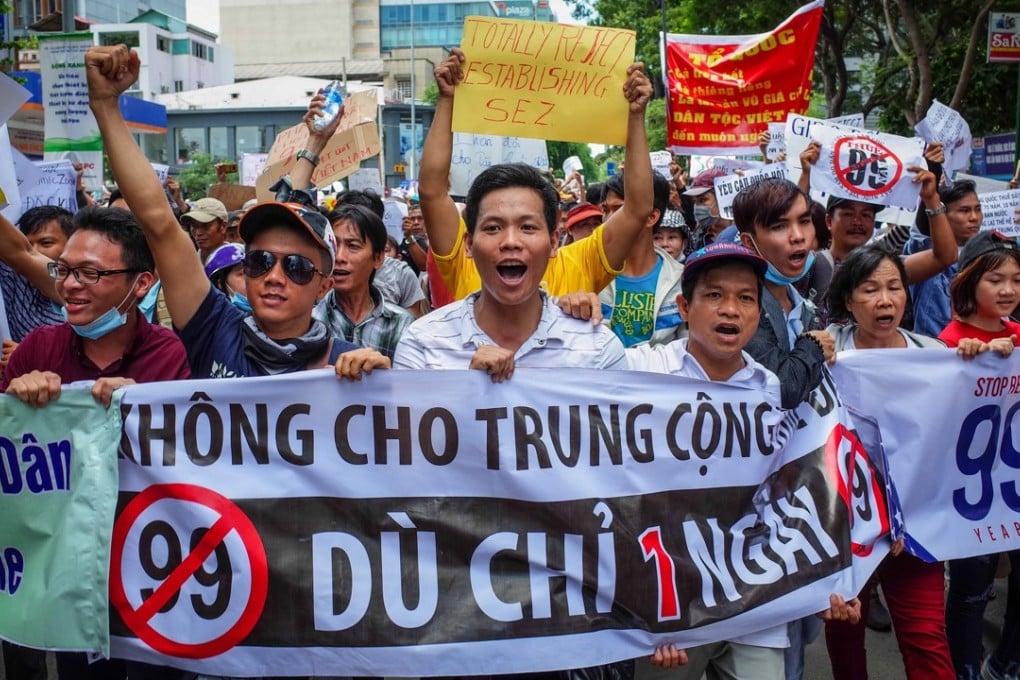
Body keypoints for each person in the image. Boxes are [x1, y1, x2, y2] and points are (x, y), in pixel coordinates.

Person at [86, 44, 387, 382]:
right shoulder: (212, 327)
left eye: (297, 268)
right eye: (259, 261)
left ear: (324, 287)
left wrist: (380, 383)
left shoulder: (349, 367)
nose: (274, 277)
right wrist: (106, 105)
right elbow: (159, 222)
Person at [630, 241, 860, 680]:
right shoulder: (640, 371)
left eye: (745, 298)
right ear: (684, 307)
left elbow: (803, 492)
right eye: (714, 295)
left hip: (754, 602)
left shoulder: (773, 392)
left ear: (758, 313)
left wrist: (830, 582)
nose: (730, 310)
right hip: (669, 608)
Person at [1, 206, 192, 680]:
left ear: (141, 284)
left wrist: (140, 408)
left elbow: (183, 459)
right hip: (66, 575)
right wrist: (19, 405)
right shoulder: (36, 350)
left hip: (150, 572)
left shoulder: (168, 355)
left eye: (90, 273)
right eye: (63, 270)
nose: (69, 285)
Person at [418, 48, 654, 301]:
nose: (511, 241)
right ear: (468, 244)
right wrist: (447, 100)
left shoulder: (581, 264)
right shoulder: (464, 265)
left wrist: (635, 117)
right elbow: (432, 191)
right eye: (493, 227)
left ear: (554, 240)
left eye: (528, 227)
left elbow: (638, 209)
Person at [821, 244, 955, 680]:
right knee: (845, 631)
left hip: (914, 528)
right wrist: (809, 352)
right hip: (845, 529)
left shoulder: (934, 356)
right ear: (848, 301)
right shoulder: (823, 354)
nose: (885, 300)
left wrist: (976, 358)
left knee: (927, 637)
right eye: (870, 289)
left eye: (895, 288)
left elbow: (944, 448)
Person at [936, 230, 1020, 680]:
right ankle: (964, 670)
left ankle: (1005, 663)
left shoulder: (1019, 336)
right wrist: (967, 359)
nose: (1008, 290)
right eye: (995, 280)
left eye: (1016, 280)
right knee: (971, 590)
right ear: (969, 282)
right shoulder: (948, 343)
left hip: (1013, 488)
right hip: (969, 495)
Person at [313, 203, 414, 359]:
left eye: (353, 246)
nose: (339, 257)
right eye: (333, 245)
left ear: (378, 258)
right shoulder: (309, 322)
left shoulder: (401, 325)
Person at [598, 172, 685, 347]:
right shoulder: (586, 271)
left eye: (619, 209)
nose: (608, 220)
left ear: (651, 217)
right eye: (606, 210)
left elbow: (689, 349)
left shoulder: (682, 280)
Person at [904, 179, 982, 337]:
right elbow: (920, 233)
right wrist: (931, 196)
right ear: (942, 214)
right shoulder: (925, 250)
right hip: (936, 348)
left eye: (978, 209)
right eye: (964, 210)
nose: (974, 217)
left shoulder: (989, 254)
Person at [0, 206, 71, 342]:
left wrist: (27, 352)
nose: (36, 250)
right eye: (28, 243)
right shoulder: (13, 274)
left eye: (46, 243)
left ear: (72, 244)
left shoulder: (76, 284)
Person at [683, 167, 732, 251]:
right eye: (695, 201)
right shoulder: (698, 234)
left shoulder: (742, 234)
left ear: (721, 198)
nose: (697, 206)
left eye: (703, 200)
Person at [182, 197, 229, 263]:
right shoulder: (186, 264)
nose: (198, 233)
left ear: (223, 226)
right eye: (194, 225)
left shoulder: (239, 264)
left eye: (205, 225)